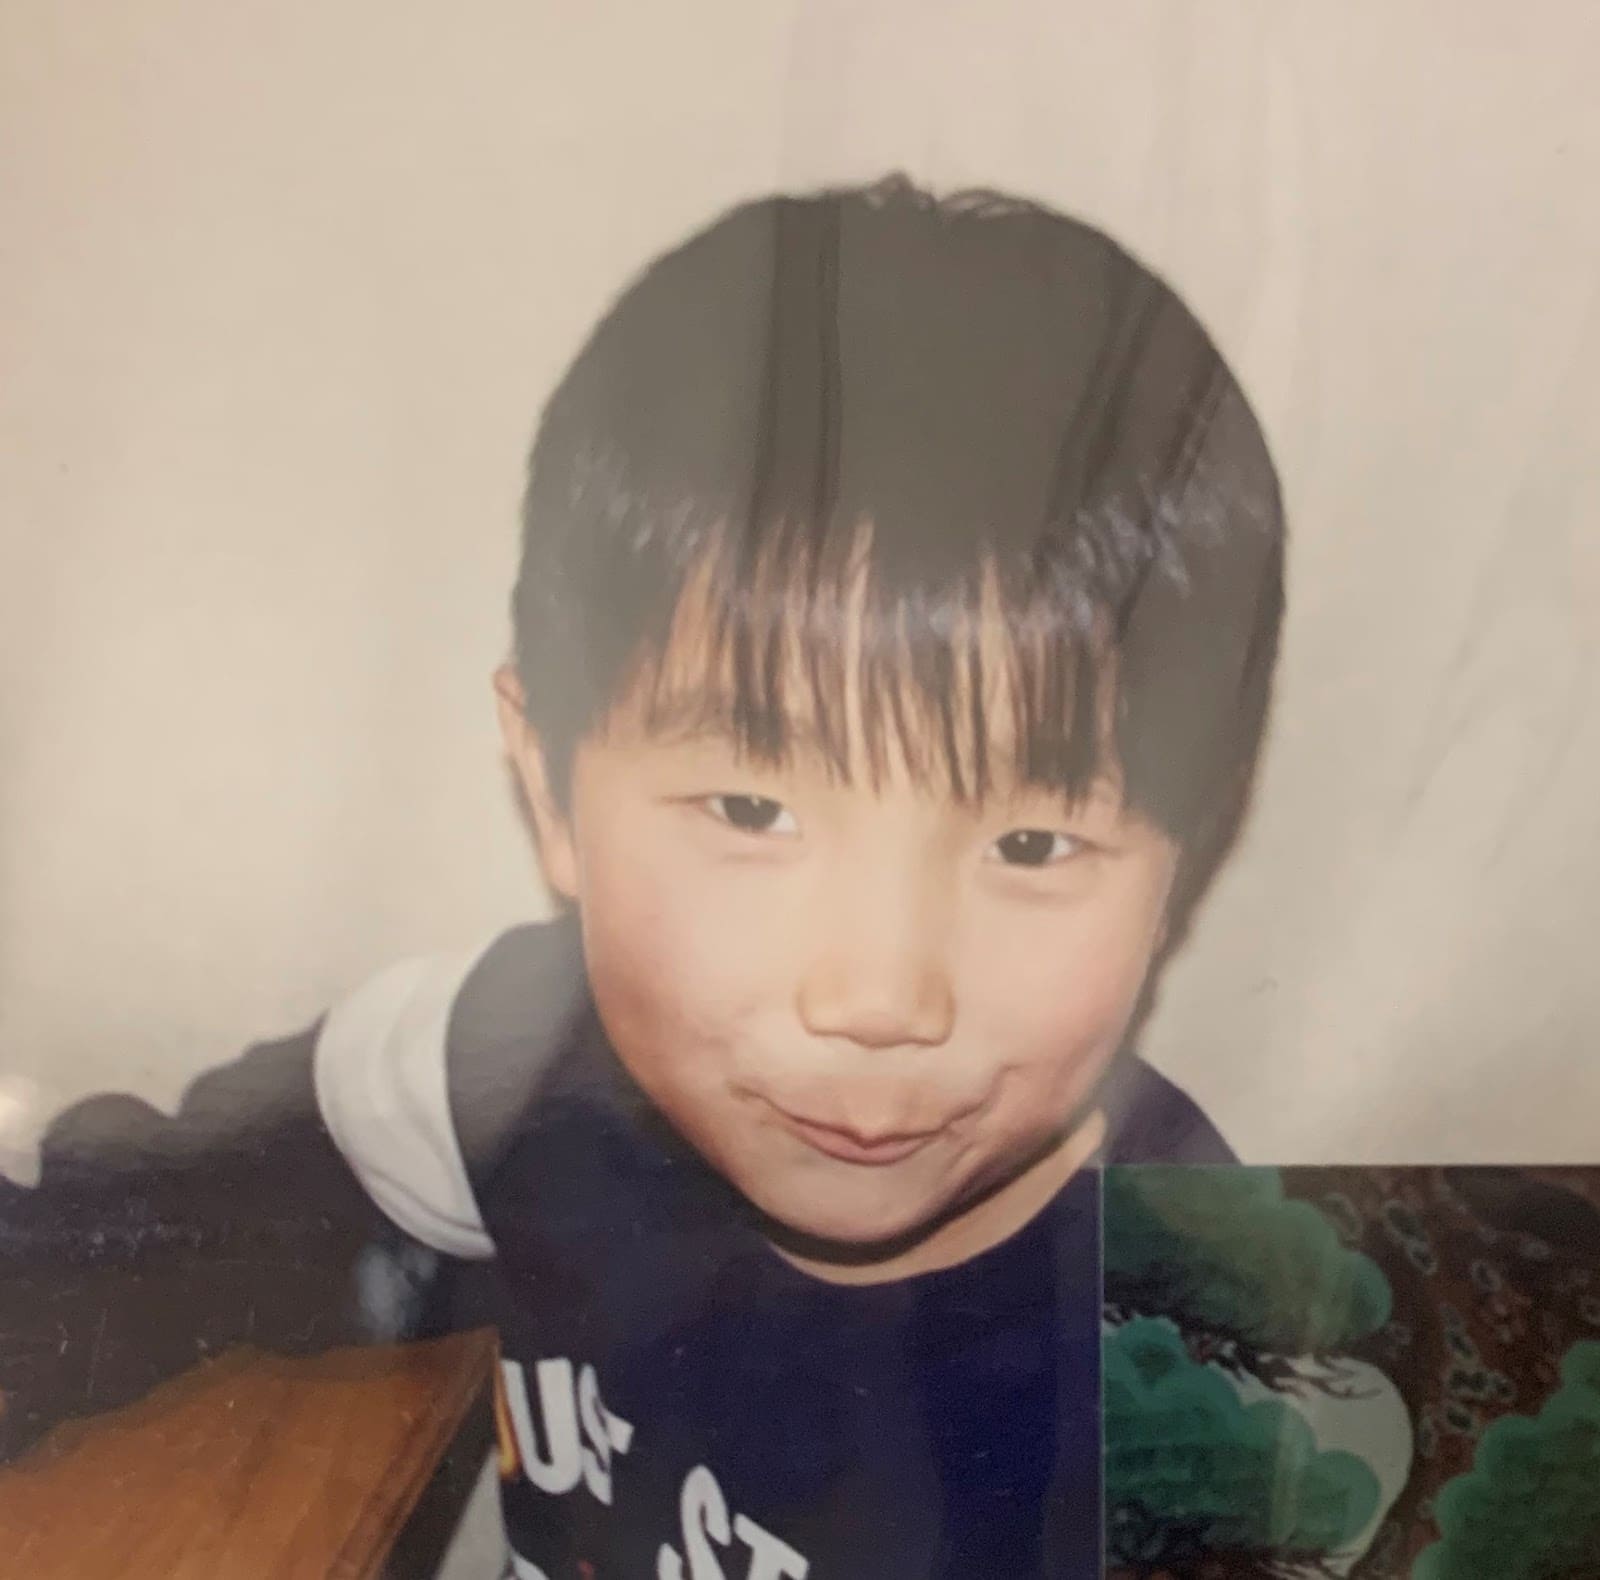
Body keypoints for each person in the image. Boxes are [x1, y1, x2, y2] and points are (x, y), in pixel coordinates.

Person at [0, 176, 1284, 1577]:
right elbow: (146, 1222)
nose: (879, 995)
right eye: (751, 809)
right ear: (549, 787)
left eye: (1031, 846)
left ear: (1185, 857)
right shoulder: (509, 1054)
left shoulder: (1229, 1375)